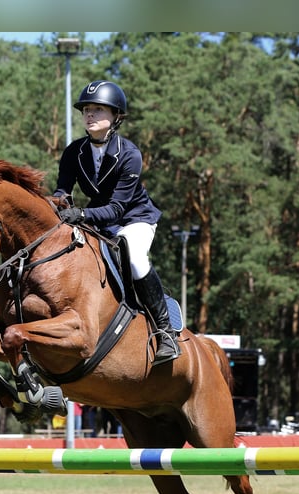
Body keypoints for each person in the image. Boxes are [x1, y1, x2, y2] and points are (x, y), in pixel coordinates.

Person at [53, 80, 180, 366]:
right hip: (98, 219)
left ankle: (165, 331)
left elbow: (117, 208)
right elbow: (63, 190)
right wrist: (58, 203)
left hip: (133, 218)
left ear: (116, 117)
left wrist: (82, 215)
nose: (89, 115)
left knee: (133, 256)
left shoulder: (130, 154)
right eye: (86, 109)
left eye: (98, 109)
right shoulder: (74, 152)